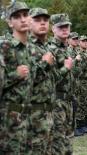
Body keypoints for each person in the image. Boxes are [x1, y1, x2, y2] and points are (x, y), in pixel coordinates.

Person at [0, 2, 32, 154]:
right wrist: (15, 75)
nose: (23, 19)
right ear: (9, 21)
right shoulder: (4, 47)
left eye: (26, 15)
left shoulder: (32, 49)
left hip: (31, 118)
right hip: (9, 122)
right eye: (17, 16)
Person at [28, 7, 55, 154]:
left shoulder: (47, 48)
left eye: (45, 20)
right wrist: (44, 63)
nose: (43, 23)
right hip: (31, 116)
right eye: (37, 20)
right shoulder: (24, 47)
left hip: (48, 113)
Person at [49, 13, 74, 155]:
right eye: (61, 27)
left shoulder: (68, 49)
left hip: (69, 101)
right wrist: (65, 68)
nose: (65, 29)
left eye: (67, 26)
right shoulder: (51, 49)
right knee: (58, 143)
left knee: (68, 141)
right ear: (53, 29)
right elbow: (48, 79)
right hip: (57, 102)